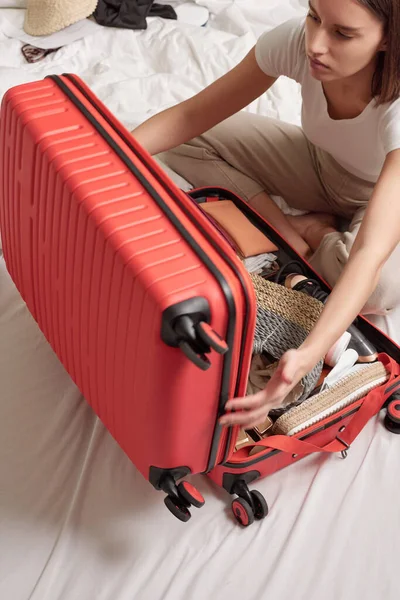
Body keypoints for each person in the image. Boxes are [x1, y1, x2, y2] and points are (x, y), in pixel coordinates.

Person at [131, 0, 400, 429]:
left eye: (342, 34)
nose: (315, 44)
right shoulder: (296, 41)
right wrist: (103, 159)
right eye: (314, 15)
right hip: (318, 163)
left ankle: (315, 234)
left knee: (377, 285)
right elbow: (190, 114)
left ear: (388, 37)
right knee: (183, 141)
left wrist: (308, 353)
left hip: (380, 195)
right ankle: (294, 228)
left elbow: (370, 251)